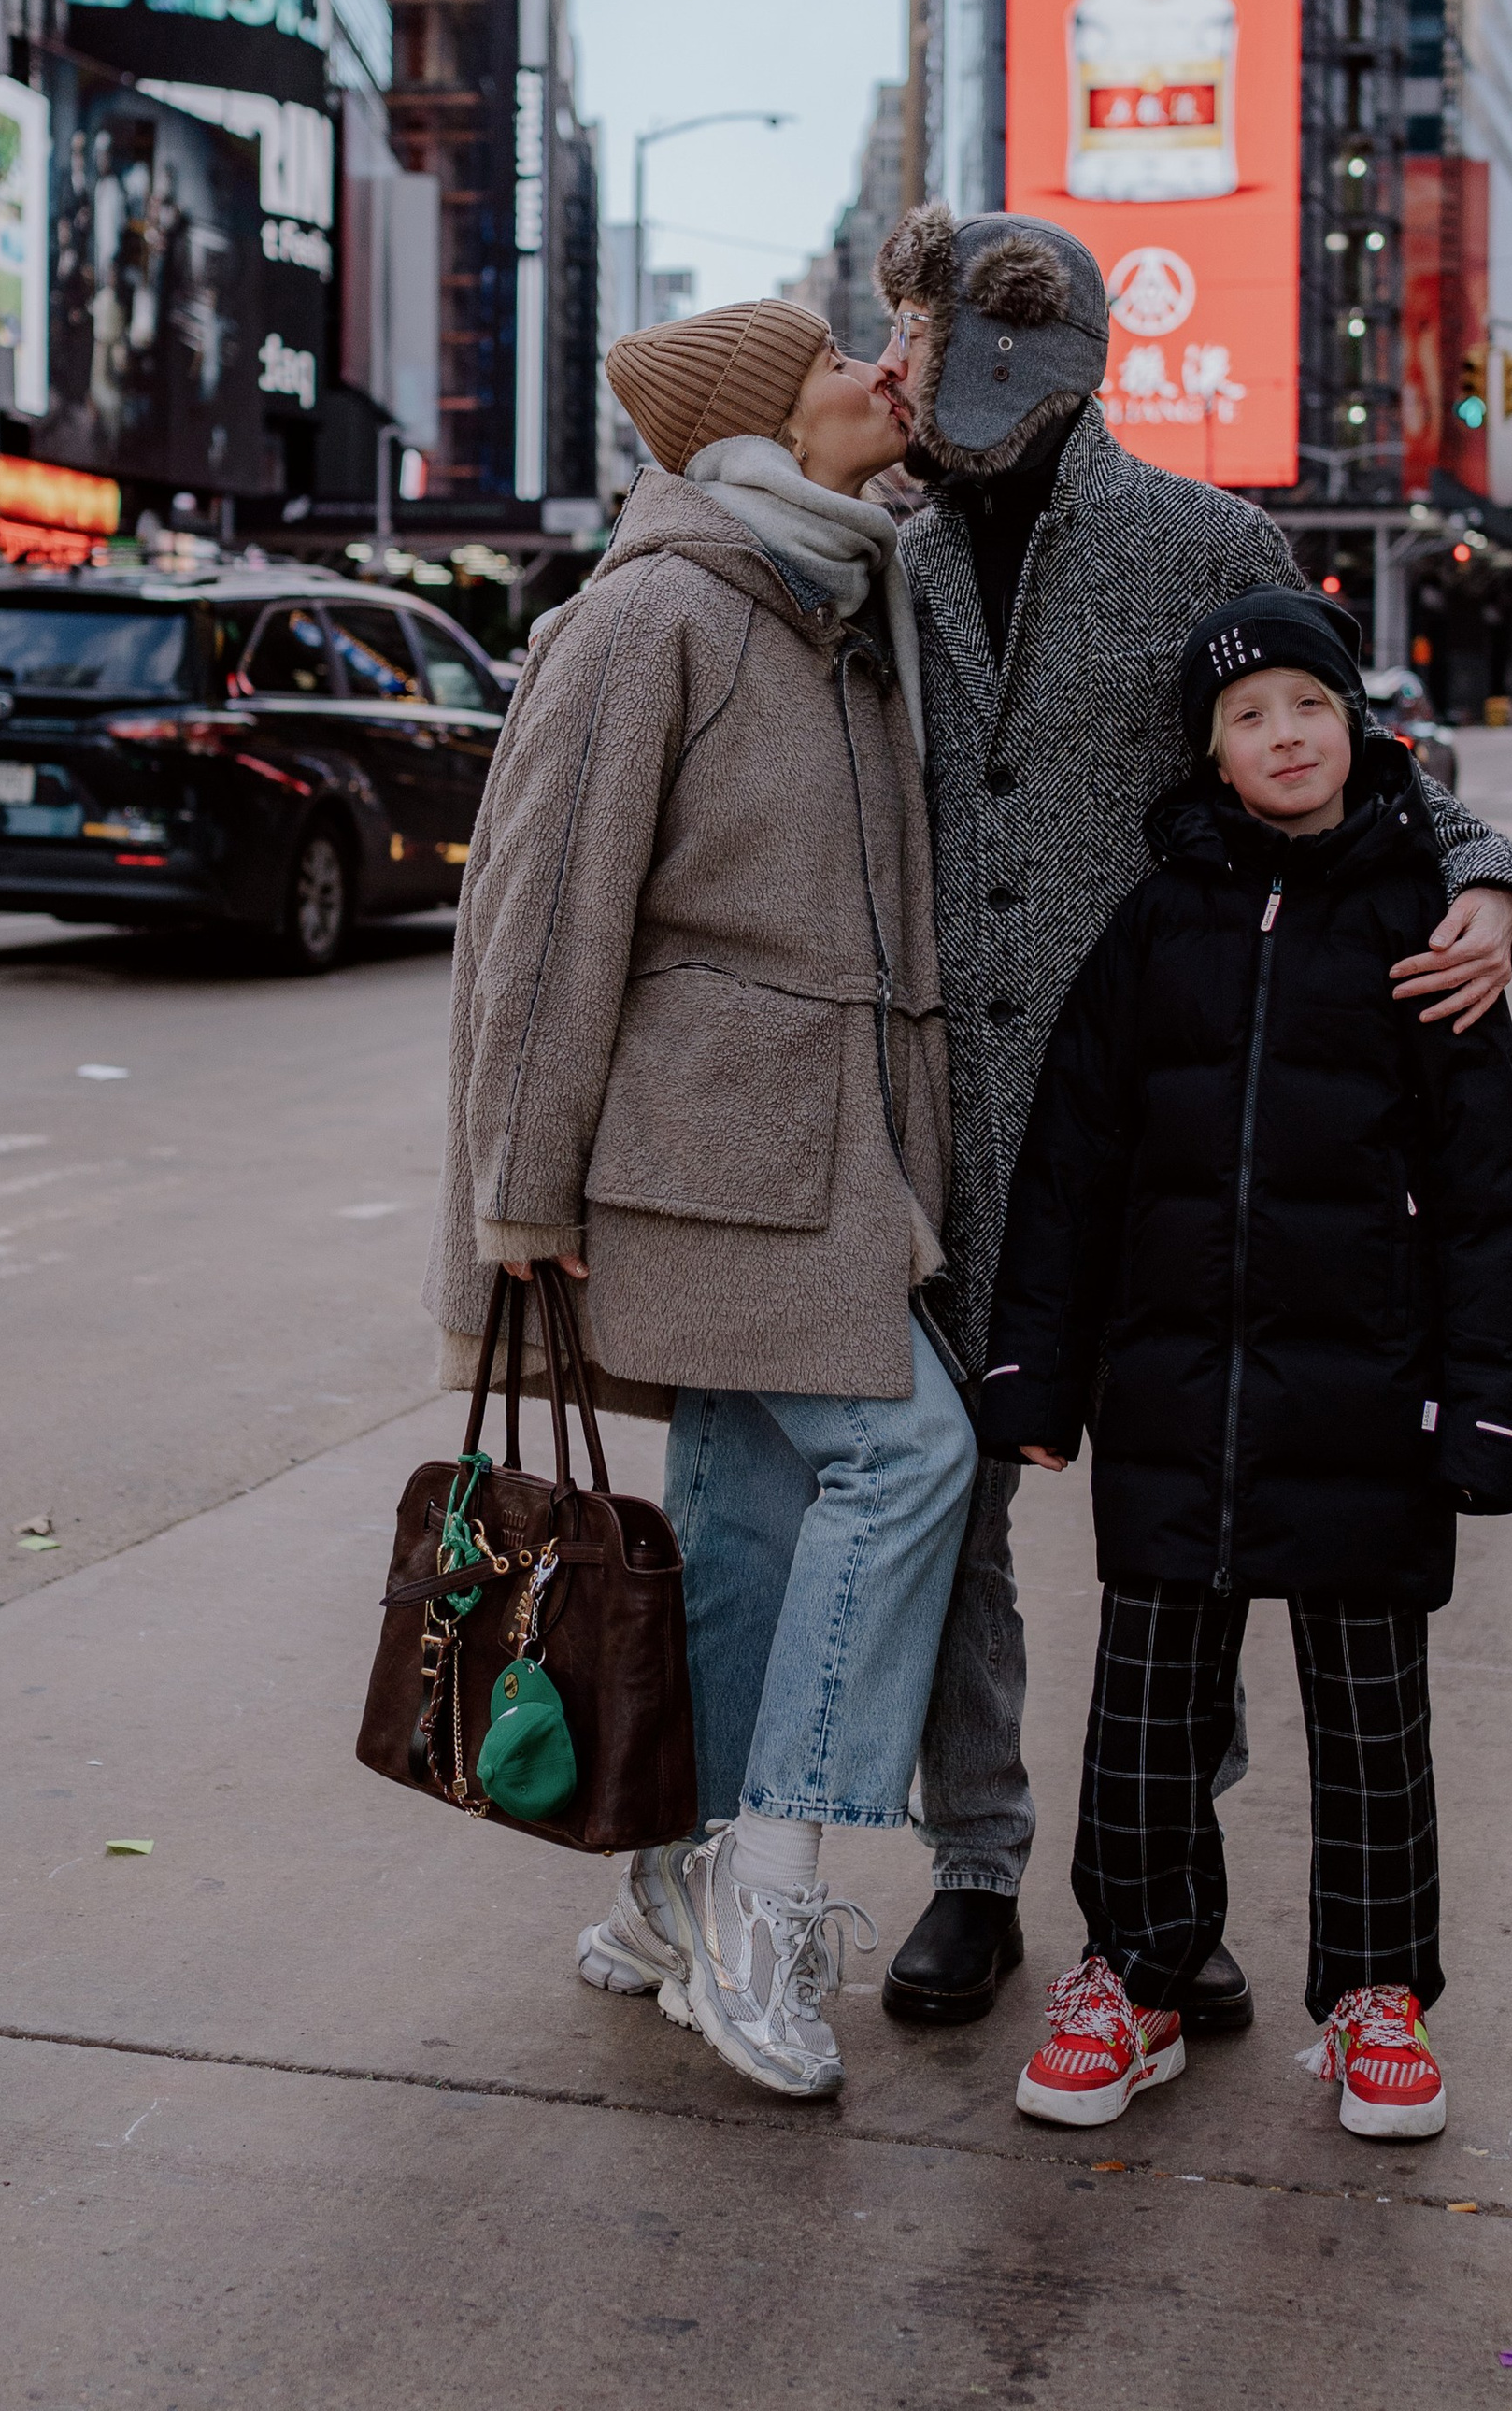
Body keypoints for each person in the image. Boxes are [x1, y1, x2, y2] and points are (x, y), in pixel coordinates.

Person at [867, 204, 1512, 2029]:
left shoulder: (1206, 542)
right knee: (954, 1511)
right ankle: (971, 1862)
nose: (918, 375)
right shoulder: (879, 556)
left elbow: (1362, 761)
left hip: (1163, 1119)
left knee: (1196, 1520)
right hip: (933, 1113)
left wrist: (1484, 883)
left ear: (1030, 350)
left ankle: (1169, 1883)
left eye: (935, 341)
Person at [424, 298, 976, 2104]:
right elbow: (540, 910)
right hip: (704, 1152)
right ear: (756, 430)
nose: (869, 382)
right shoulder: (656, 610)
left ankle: (677, 1871)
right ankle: (769, 1889)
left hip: (821, 1146)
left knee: (742, 1508)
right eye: (835, 367)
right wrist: (519, 1180)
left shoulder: (832, 595)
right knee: (909, 1457)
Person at [981, 586, 1512, 2137]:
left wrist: (1493, 1411)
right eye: (1247, 717)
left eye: (1306, 704)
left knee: (1371, 1721)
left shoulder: (1427, 923)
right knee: (1147, 1710)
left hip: (1369, 1388)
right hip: (1170, 1392)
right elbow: (1073, 1165)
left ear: (1355, 721)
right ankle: (1135, 1975)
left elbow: (1492, 1197)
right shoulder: (1157, 926)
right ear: (1211, 756)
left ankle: (1377, 1996)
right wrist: (1034, 1372)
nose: (1283, 736)